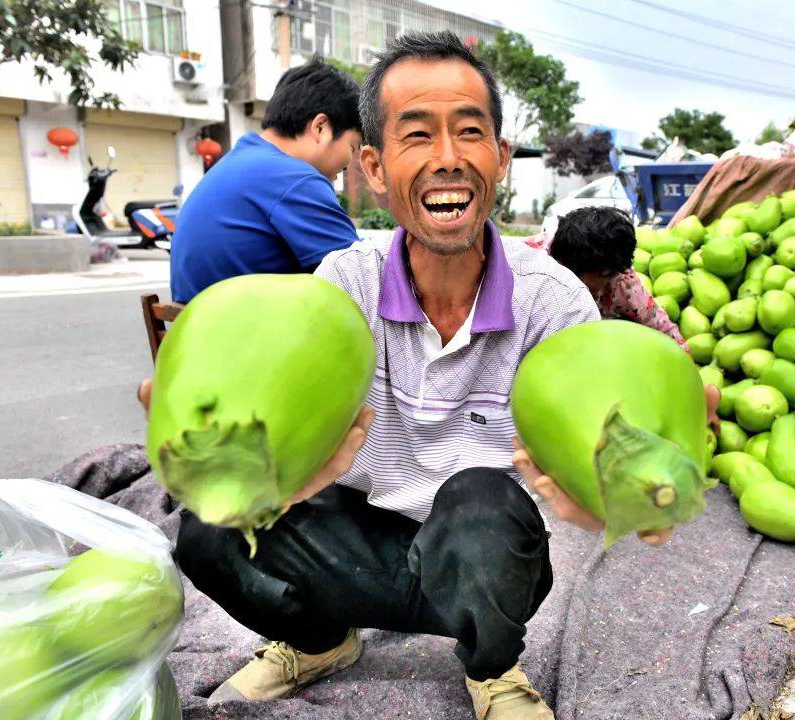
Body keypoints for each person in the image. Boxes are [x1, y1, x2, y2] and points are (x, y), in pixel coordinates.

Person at [172, 32, 696, 720]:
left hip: (482, 559)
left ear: (500, 159)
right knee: (205, 528)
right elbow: (279, 414)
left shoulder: (552, 298)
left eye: (470, 132)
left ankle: (493, 670)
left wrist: (631, 487)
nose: (447, 158)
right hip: (354, 538)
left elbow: (603, 438)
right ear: (375, 166)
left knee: (480, 499)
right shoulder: (343, 286)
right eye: (416, 135)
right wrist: (220, 421)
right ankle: (319, 642)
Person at [170, 58, 362, 304]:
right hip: (254, 339)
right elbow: (359, 278)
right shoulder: (296, 179)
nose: (350, 162)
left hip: (197, 337)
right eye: (353, 146)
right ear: (321, 127)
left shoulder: (236, 164)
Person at [533, 206, 720, 425]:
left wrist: (696, 397)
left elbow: (667, 334)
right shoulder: (525, 269)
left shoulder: (623, 284)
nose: (577, 287)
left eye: (607, 276)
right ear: (562, 263)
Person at [543, 205, 688, 348]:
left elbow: (661, 327)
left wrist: (685, 361)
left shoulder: (622, 282)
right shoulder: (532, 269)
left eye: (608, 274)